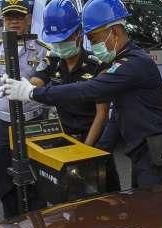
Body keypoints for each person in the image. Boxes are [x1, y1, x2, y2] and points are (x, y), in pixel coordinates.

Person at [0, 0, 162, 189]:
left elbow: (88, 89)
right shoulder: (122, 60)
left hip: (160, 155)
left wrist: (32, 93)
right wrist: (95, 152)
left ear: (115, 32)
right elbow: (117, 114)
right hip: (143, 153)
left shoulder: (134, 63)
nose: (92, 44)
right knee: (144, 209)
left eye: (93, 38)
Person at [0, 0, 47, 219]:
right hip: (2, 125)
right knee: (5, 182)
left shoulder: (42, 51)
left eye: (19, 17)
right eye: (9, 17)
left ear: (28, 19)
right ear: (3, 19)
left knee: (37, 180)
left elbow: (48, 91)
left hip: (33, 122)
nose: (14, 22)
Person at [31, 0, 108, 146]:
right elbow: (37, 81)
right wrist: (22, 86)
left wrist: (86, 148)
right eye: (55, 40)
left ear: (79, 34)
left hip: (92, 138)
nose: (59, 45)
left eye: (64, 39)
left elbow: (102, 115)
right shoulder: (52, 61)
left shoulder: (97, 65)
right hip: (62, 137)